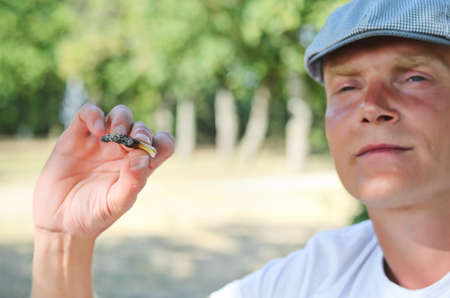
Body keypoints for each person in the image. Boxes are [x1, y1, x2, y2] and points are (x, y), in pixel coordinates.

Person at [31, 0, 449, 297]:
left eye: (415, 77)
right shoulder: (316, 276)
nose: (371, 107)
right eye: (346, 86)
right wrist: (64, 242)